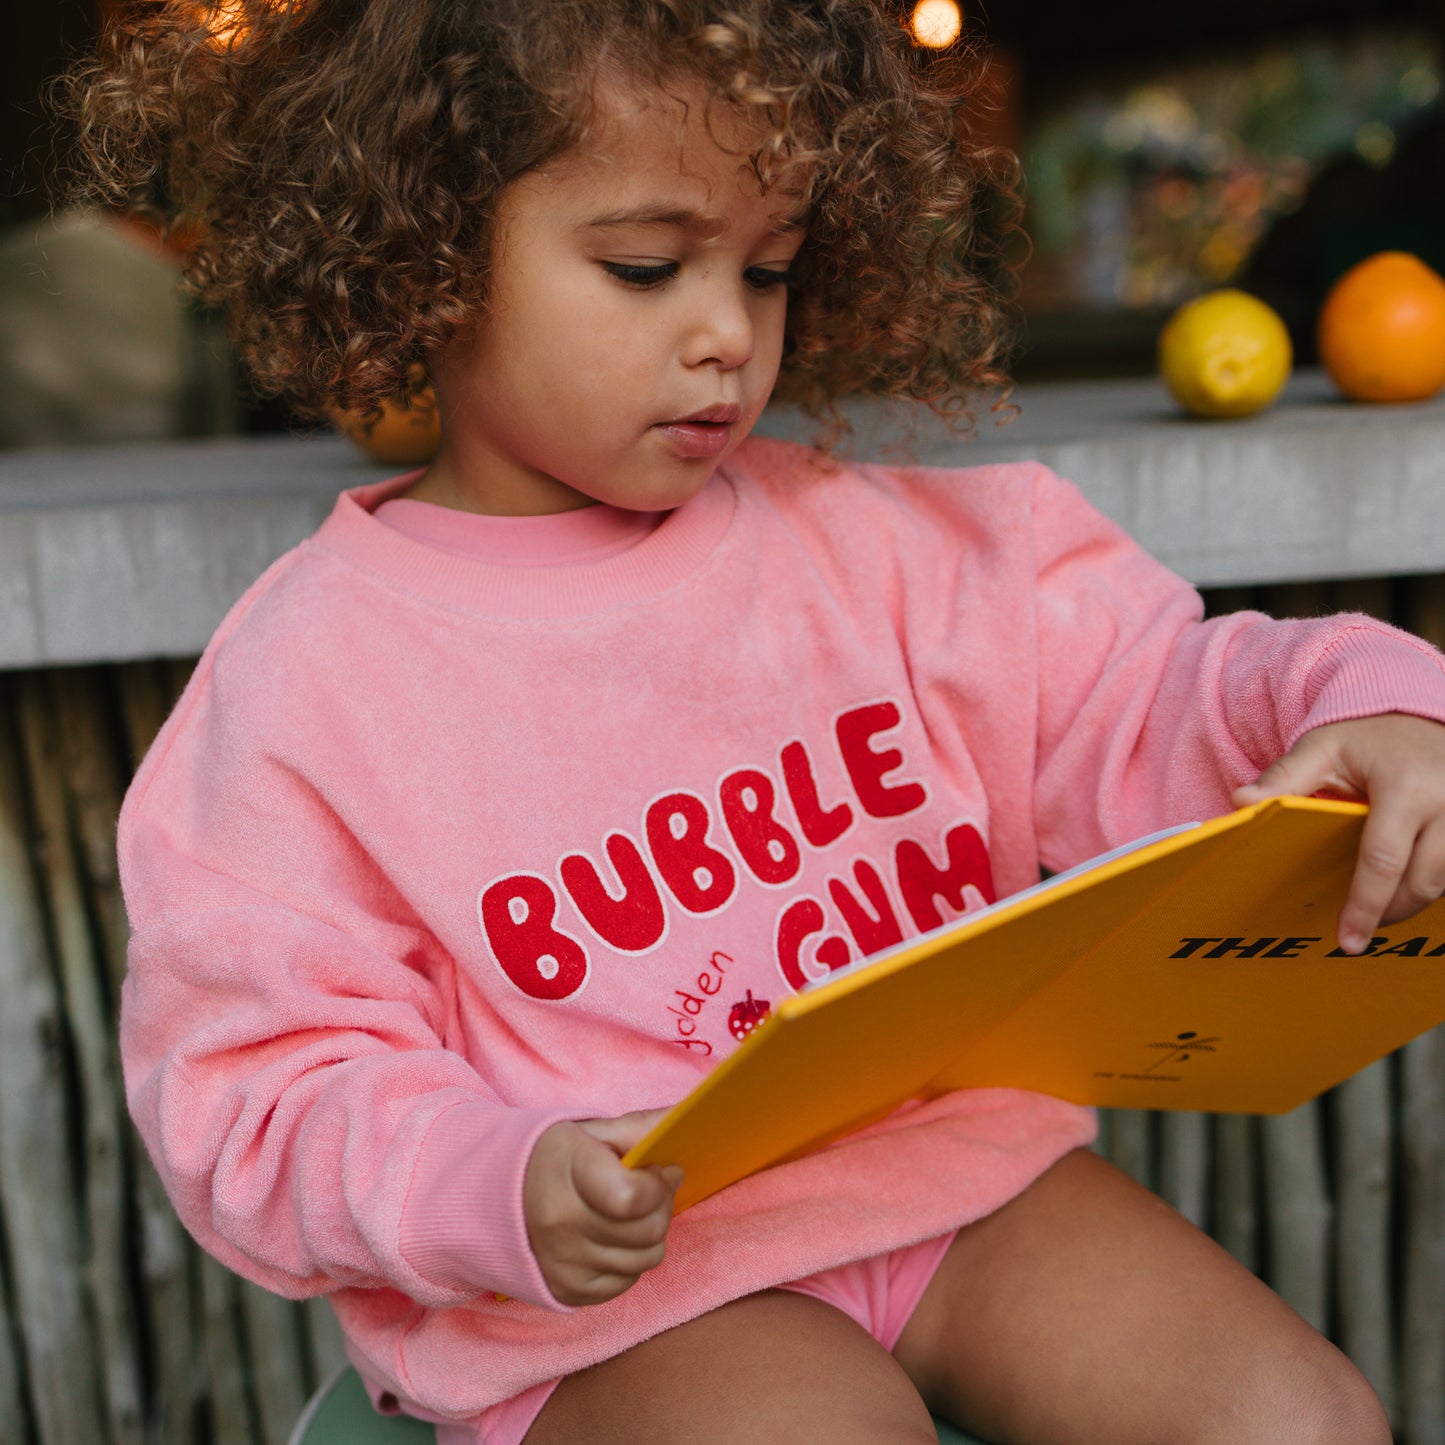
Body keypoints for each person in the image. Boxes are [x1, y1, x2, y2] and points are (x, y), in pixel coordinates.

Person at [62, 2, 1445, 1441]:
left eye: (769, 270)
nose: (726, 330)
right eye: (646, 266)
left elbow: (1152, 692)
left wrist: (1365, 699)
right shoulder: (306, 683)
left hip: (956, 1186)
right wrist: (489, 1180)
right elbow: (258, 1088)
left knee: (1296, 1419)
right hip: (621, 1297)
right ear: (426, 253)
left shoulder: (887, 549)